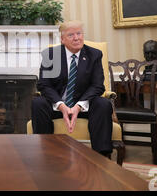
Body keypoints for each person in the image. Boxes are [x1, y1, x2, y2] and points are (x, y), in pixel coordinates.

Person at [31, 20, 113, 156]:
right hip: (57, 106)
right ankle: (46, 153)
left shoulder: (94, 55)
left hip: (84, 106)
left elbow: (98, 86)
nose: (76, 38)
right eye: (71, 35)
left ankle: (101, 156)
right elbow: (44, 85)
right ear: (62, 39)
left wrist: (78, 106)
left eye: (79, 33)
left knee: (103, 103)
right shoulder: (51, 55)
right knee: (38, 103)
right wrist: (61, 105)